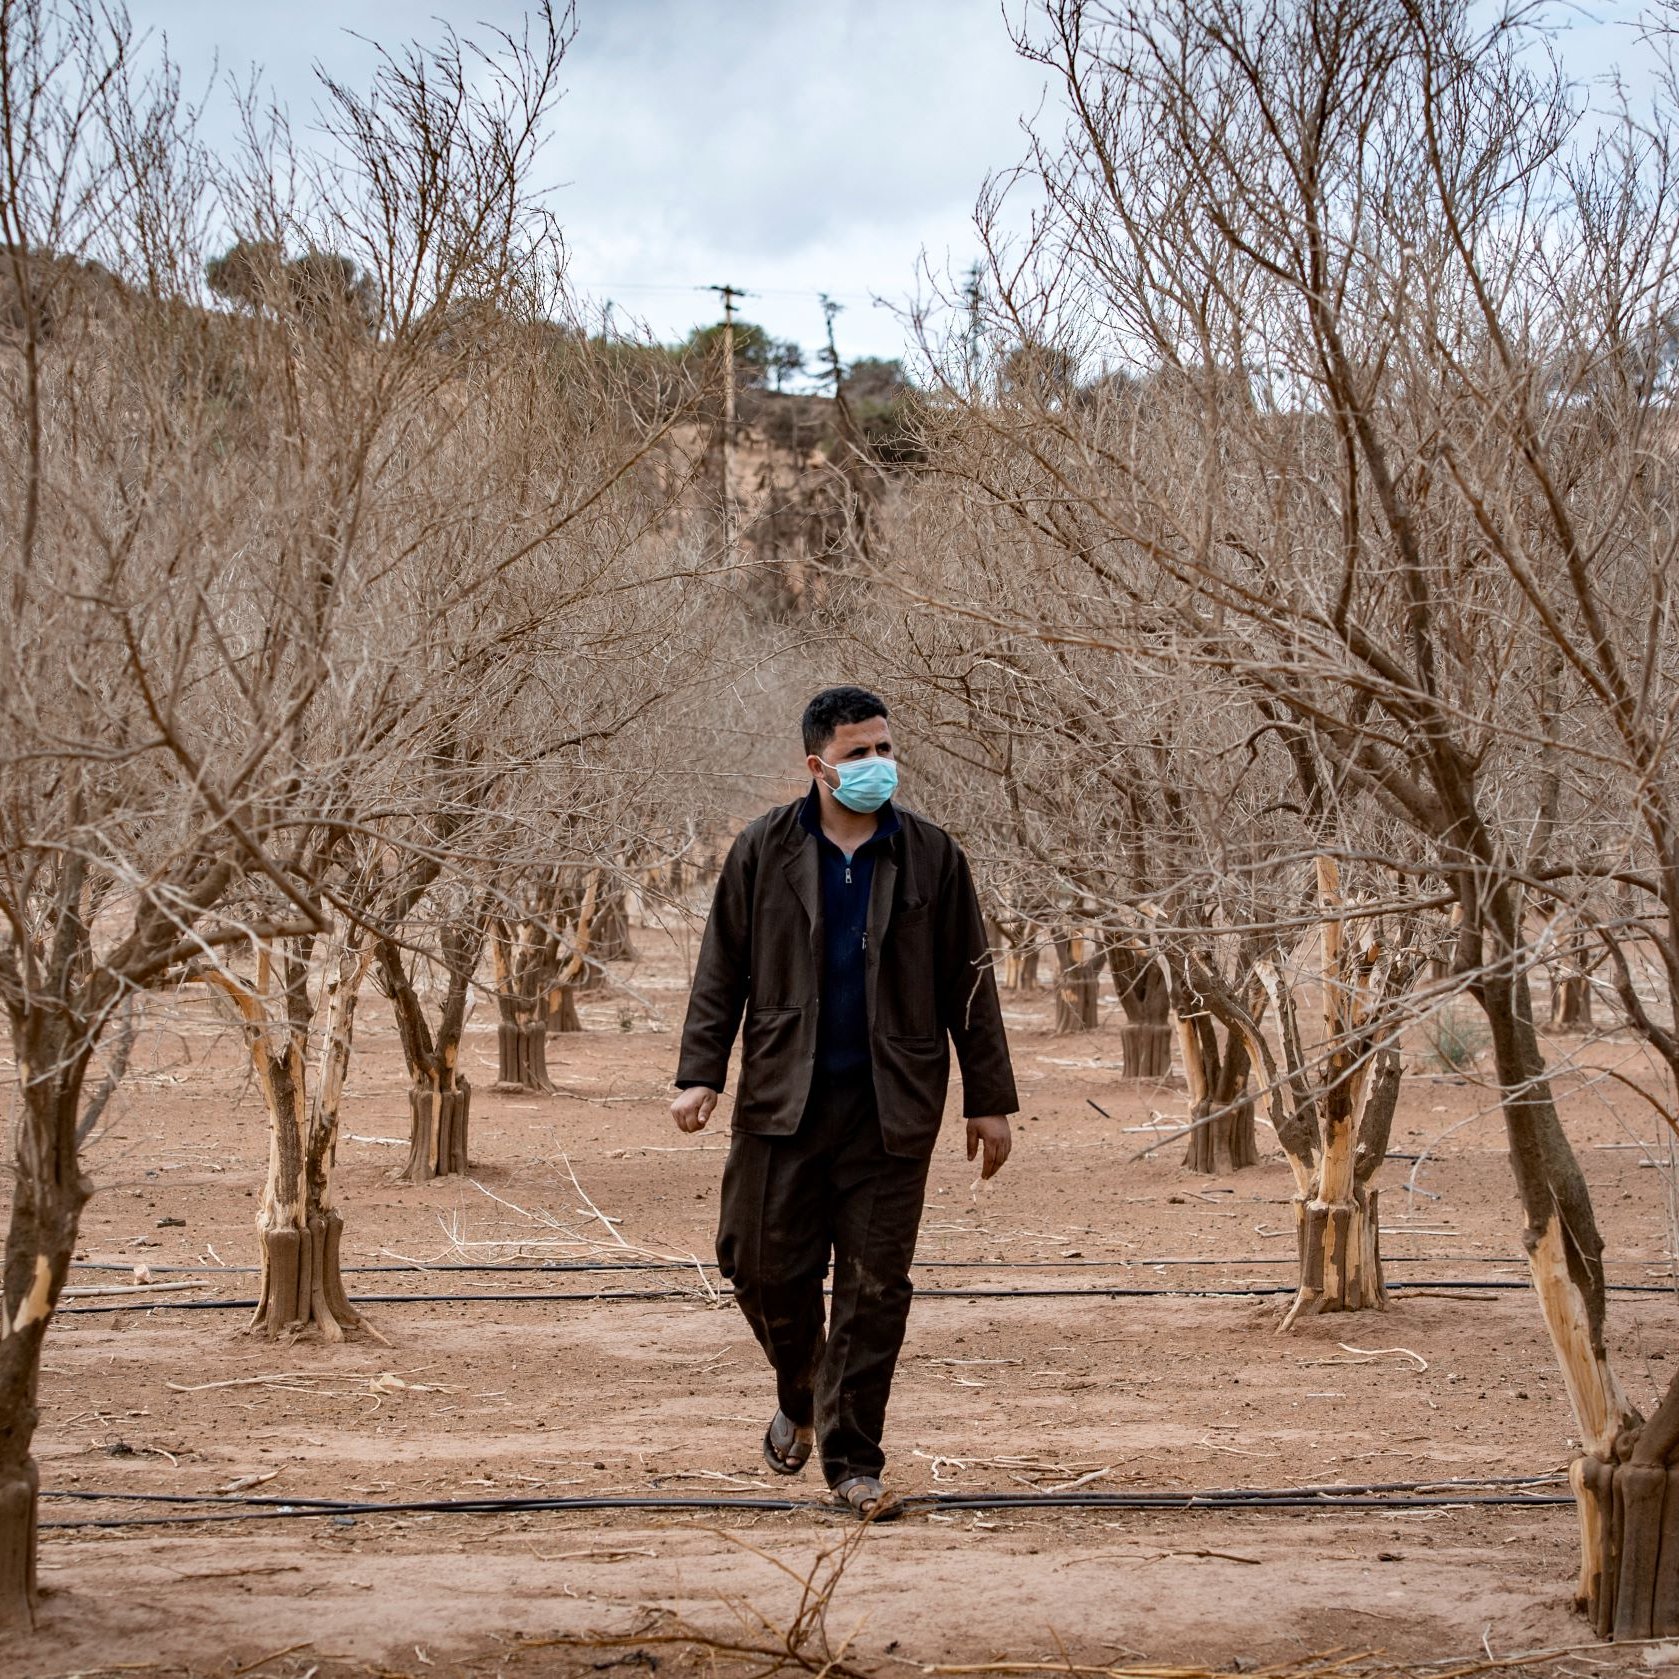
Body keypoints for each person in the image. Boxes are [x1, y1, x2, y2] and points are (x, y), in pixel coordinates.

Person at [671, 685, 1018, 1519]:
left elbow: (968, 982)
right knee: (754, 1264)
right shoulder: (762, 850)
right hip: (780, 1100)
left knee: (874, 1287)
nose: (876, 766)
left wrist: (988, 1098)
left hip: (891, 1107)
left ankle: (852, 1459)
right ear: (816, 764)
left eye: (885, 749)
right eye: (858, 752)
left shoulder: (933, 855)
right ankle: (802, 1389)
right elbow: (721, 967)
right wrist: (700, 1072)